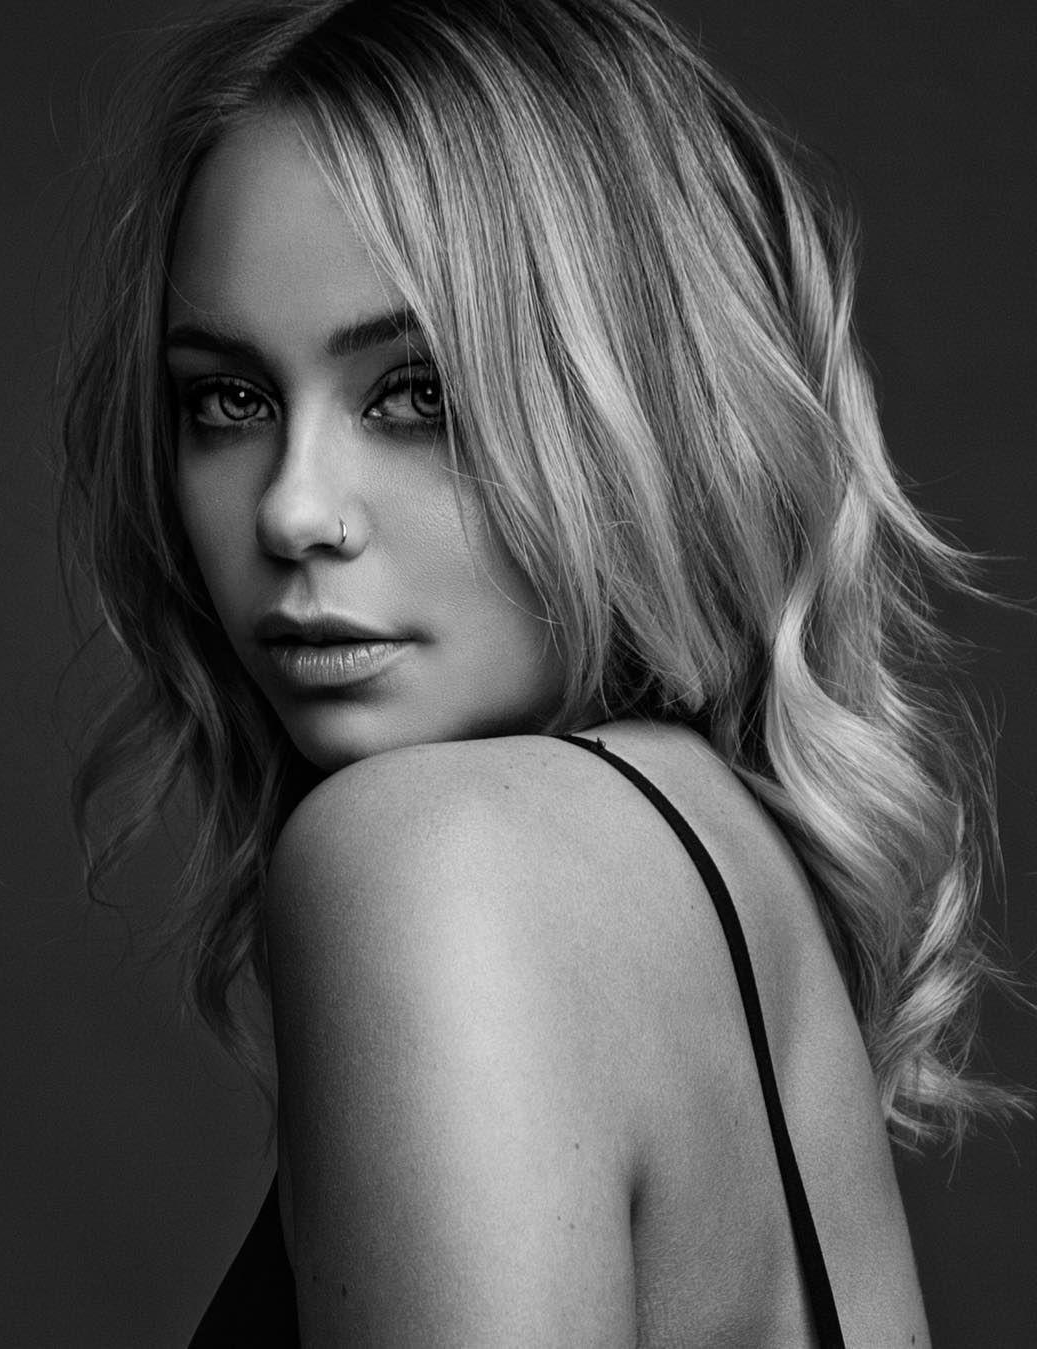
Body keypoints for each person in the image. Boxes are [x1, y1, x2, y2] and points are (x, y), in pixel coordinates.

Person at [58, 0, 1015, 1343]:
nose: (293, 508)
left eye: (418, 394)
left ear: (629, 401)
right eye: (230, 399)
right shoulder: (707, 844)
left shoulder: (435, 854)